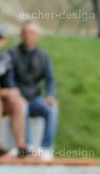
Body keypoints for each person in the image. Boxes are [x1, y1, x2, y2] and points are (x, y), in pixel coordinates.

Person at [8, 22, 59, 160]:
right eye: (24, 33)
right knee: (22, 108)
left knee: (52, 110)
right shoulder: (12, 53)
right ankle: (28, 147)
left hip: (35, 98)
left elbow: (50, 79)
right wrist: (15, 93)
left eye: (31, 33)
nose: (27, 36)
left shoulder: (43, 56)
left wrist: (50, 96)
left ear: (38, 36)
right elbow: (9, 77)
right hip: (18, 97)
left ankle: (46, 149)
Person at [0, 26, 30, 158]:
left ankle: (21, 147)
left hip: (3, 95)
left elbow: (9, 82)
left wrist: (14, 93)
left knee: (17, 104)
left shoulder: (5, 58)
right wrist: (5, 92)